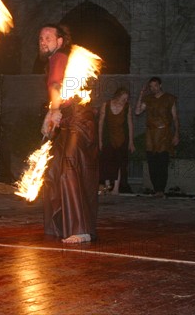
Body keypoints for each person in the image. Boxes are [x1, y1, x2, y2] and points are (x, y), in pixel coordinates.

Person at [39, 24, 99, 243]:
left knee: (68, 169)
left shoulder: (59, 57)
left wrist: (53, 112)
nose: (43, 41)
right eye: (40, 38)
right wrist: (53, 113)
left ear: (60, 41)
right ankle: (60, 225)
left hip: (78, 121)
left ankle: (80, 229)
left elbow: (56, 85)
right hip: (69, 120)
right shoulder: (57, 59)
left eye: (48, 37)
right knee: (54, 171)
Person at [135, 77, 179, 198]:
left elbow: (175, 118)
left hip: (164, 132)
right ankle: (156, 190)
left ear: (160, 85)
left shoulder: (169, 98)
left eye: (155, 86)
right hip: (151, 133)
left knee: (162, 162)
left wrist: (176, 134)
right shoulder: (148, 99)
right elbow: (138, 112)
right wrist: (141, 95)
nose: (153, 88)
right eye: (151, 86)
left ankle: (161, 190)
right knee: (152, 162)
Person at [98, 87, 135, 194]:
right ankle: (107, 185)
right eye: (123, 98)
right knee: (107, 161)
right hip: (108, 137)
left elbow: (130, 123)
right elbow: (100, 123)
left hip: (121, 137)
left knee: (119, 162)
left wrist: (131, 141)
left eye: (127, 99)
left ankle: (116, 188)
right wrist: (100, 140)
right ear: (117, 96)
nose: (125, 101)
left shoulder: (127, 107)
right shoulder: (106, 105)